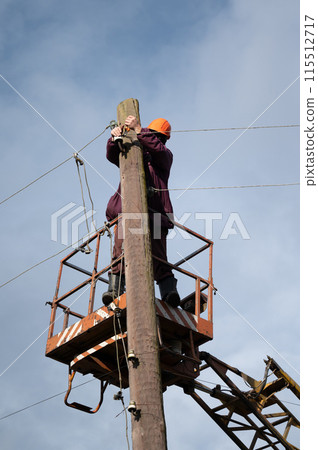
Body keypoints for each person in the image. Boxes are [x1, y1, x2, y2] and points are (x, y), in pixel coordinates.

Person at [102, 114, 180, 308]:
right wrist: (114, 138)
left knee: (159, 256)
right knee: (119, 252)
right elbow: (113, 154)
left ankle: (169, 293)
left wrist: (139, 130)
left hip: (155, 215)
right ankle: (115, 290)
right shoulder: (133, 155)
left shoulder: (164, 157)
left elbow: (158, 149)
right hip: (126, 214)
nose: (153, 140)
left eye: (155, 137)